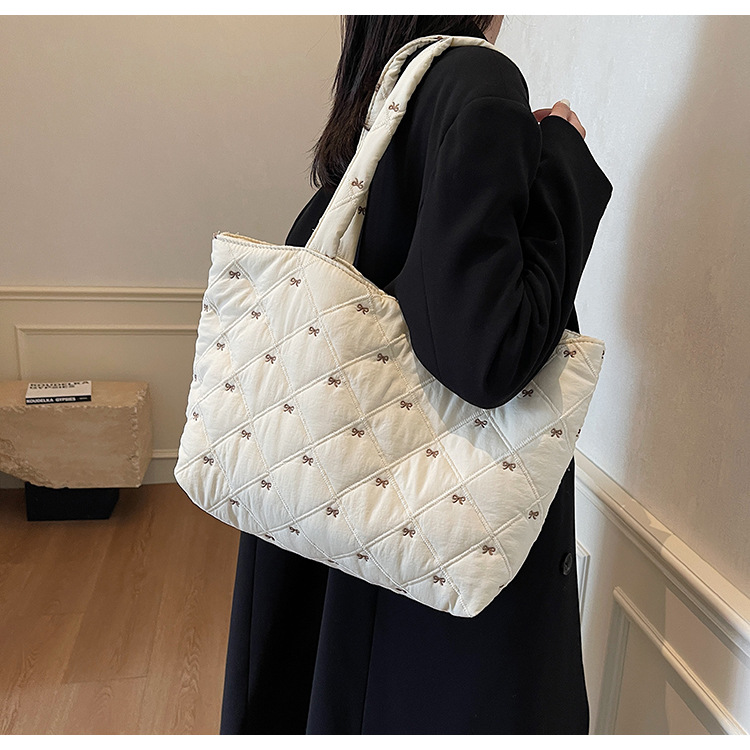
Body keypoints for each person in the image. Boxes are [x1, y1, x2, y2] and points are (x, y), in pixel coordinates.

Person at [220, 15, 613, 734]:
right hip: (430, 568)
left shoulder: (393, 86)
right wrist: (563, 157)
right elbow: (487, 355)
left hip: (348, 529)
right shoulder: (479, 80)